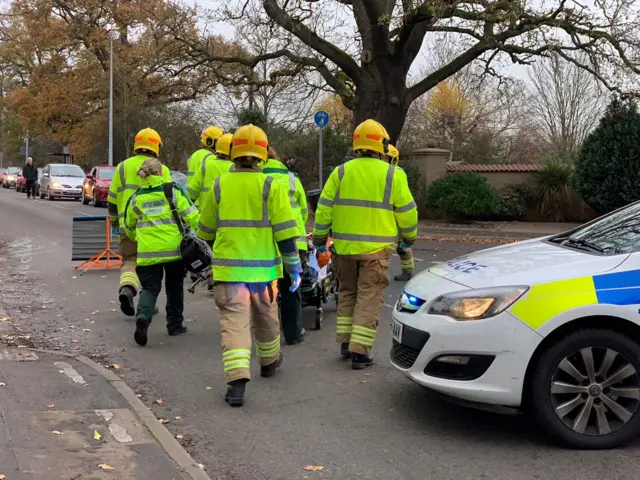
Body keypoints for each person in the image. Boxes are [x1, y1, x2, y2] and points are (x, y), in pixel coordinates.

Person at [197, 124, 302, 407]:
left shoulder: (220, 185)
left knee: (234, 324)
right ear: (262, 154)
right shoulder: (272, 186)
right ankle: (269, 362)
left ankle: (236, 382)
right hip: (264, 273)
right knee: (267, 317)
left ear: (234, 153)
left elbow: (204, 231)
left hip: (229, 272)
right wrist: (294, 269)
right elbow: (285, 235)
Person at [312, 119, 418, 369]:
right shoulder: (393, 174)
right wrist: (408, 237)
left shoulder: (341, 172)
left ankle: (346, 344)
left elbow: (323, 209)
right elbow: (408, 212)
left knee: (347, 292)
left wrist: (319, 239)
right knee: (369, 297)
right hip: (375, 252)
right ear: (382, 145)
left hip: (344, 250)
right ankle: (360, 352)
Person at [123, 158, 199, 346]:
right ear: (159, 173)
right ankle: (174, 324)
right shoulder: (172, 191)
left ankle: (143, 316)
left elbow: (128, 227)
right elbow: (192, 216)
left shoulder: (135, 198)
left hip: (148, 252)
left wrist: (140, 238)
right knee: (174, 286)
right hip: (174, 251)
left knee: (149, 288)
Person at [108, 128, 172, 317]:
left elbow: (112, 199)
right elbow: (171, 200)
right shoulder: (163, 170)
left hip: (128, 225)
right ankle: (148, 302)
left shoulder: (122, 167)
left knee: (129, 261)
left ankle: (127, 288)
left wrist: (115, 222)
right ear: (156, 146)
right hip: (155, 229)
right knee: (151, 266)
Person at [261, 147, 308, 345]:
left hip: (265, 242)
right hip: (294, 239)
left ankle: (266, 335)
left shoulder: (257, 179)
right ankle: (293, 333)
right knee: (292, 286)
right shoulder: (291, 178)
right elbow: (304, 210)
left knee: (264, 290)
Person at [386, 145, 415, 282]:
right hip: (389, 212)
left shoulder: (397, 173)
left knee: (402, 247)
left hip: (396, 212)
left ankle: (407, 272)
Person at [186, 132, 234, 209]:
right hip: (226, 214)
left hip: (204, 212)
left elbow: (191, 193)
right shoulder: (235, 168)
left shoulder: (206, 165)